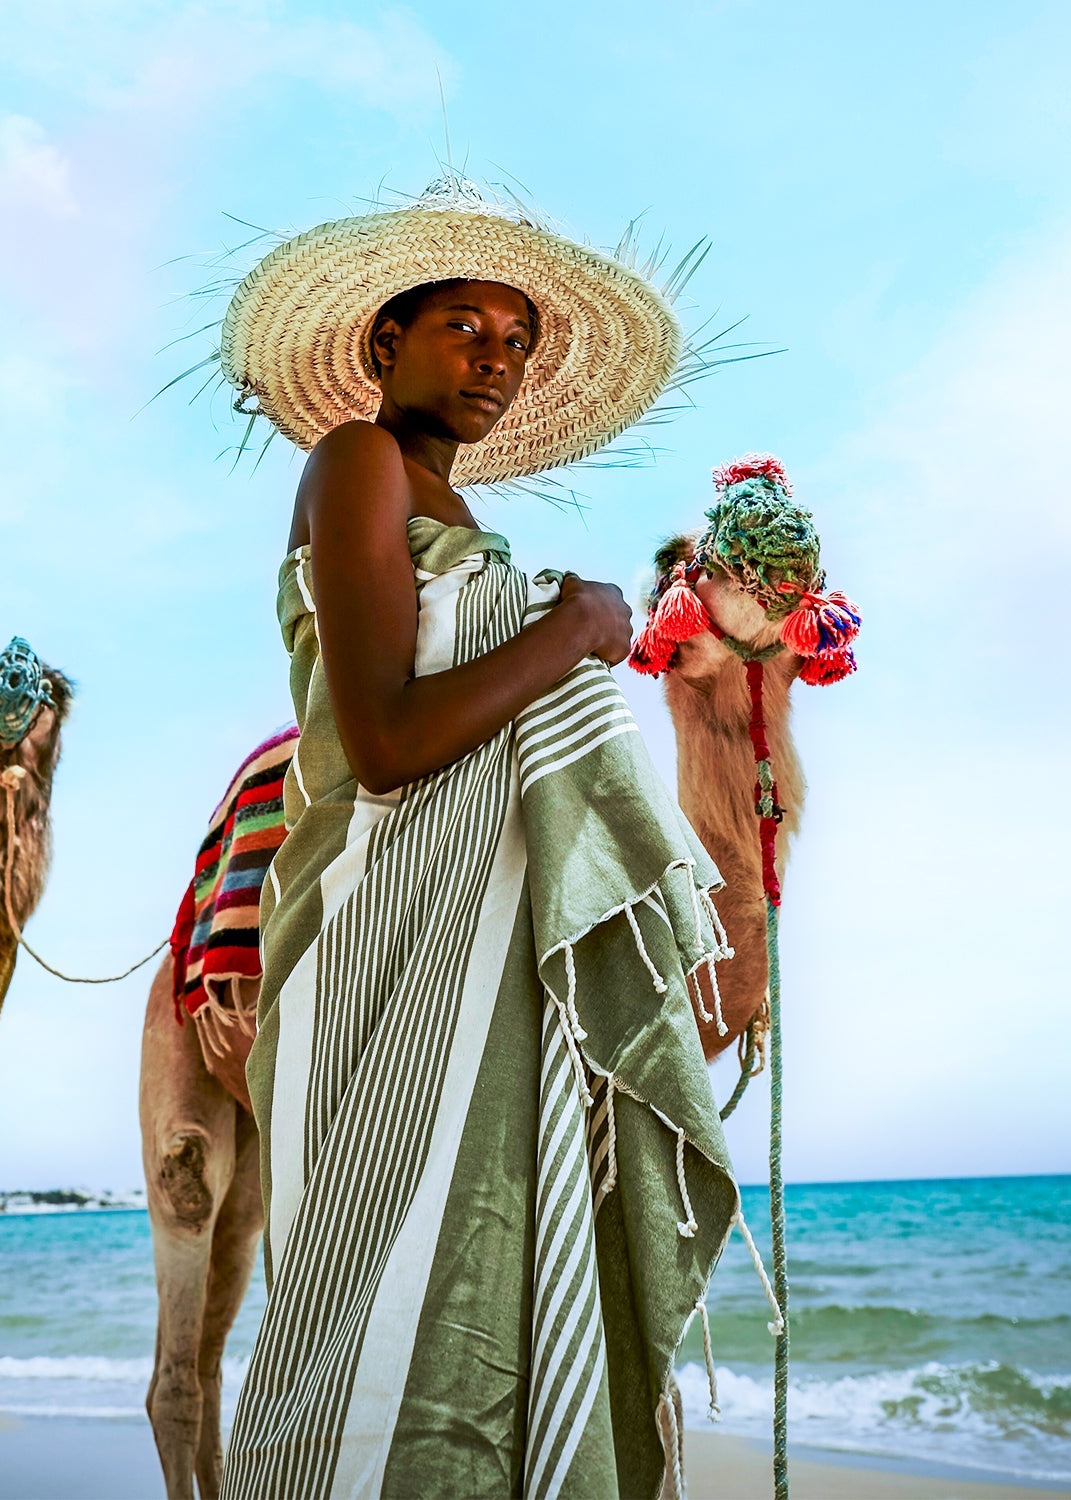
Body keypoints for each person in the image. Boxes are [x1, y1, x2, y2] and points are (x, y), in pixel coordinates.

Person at [217, 178, 737, 1500]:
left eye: (519, 337)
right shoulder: (357, 463)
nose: (498, 356)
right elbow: (384, 740)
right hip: (389, 938)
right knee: (376, 1285)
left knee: (500, 1256)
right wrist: (572, 631)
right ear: (386, 343)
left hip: (489, 949)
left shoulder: (471, 531)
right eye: (466, 325)